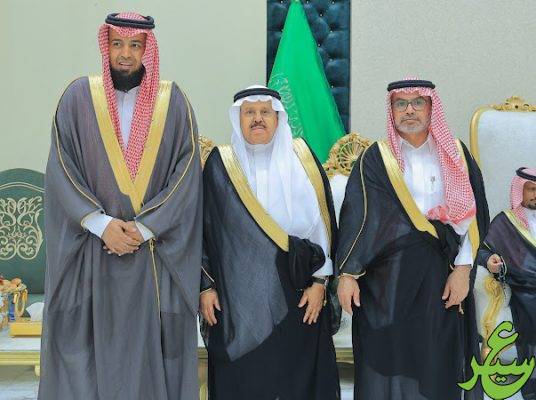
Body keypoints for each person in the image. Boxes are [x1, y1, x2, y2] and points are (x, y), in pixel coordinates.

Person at [39, 12, 202, 400]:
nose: (125, 54)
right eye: (117, 44)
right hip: (91, 251)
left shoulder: (172, 103)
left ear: (147, 50)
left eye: (134, 45)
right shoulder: (78, 98)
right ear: (106, 46)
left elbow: (186, 175)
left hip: (152, 255)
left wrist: (143, 228)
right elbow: (61, 167)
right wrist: (101, 224)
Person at [336, 78, 489, 400]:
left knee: (437, 355)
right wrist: (347, 275)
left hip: (441, 276)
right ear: (391, 109)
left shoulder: (456, 154)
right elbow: (355, 218)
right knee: (390, 356)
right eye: (400, 103)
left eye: (418, 102)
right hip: (387, 281)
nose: (409, 110)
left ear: (432, 107)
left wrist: (464, 271)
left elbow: (475, 219)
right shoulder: (376, 158)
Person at [199, 85, 340, 399]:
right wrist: (205, 287)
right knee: (246, 379)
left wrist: (320, 283)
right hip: (236, 296)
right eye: (249, 112)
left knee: (296, 380)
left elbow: (323, 226)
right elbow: (203, 231)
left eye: (265, 112)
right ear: (238, 119)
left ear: (278, 118)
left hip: (298, 289)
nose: (257, 119)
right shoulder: (222, 164)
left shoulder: (302, 159)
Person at [477, 167, 536, 398]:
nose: (535, 194)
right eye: (531, 189)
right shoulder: (506, 222)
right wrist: (489, 261)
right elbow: (482, 250)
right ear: (520, 190)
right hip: (525, 287)